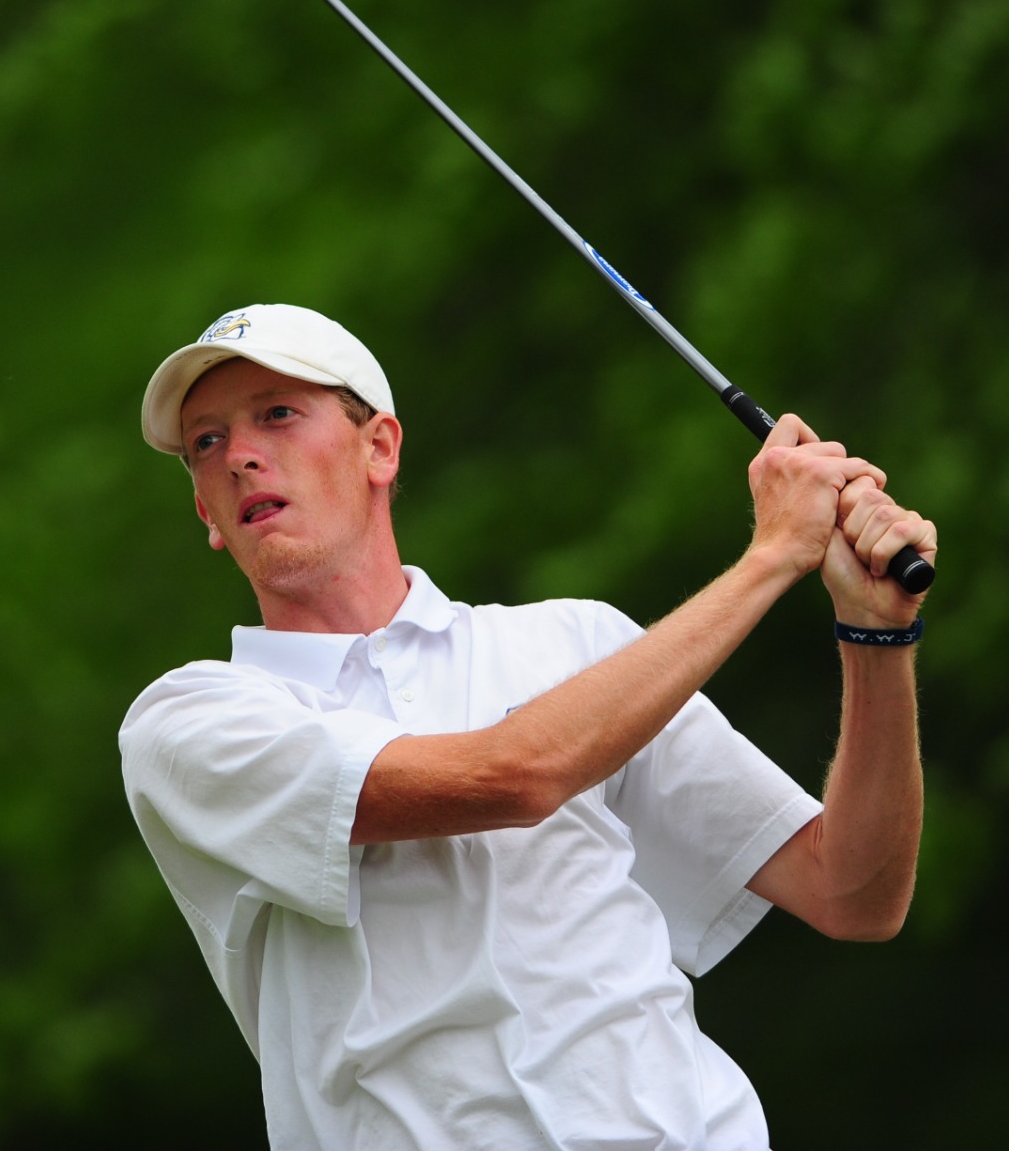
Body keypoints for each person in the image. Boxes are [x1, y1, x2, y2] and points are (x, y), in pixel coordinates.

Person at [120, 303, 937, 1150]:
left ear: (381, 447)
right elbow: (516, 776)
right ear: (205, 512)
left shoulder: (576, 643)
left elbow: (853, 892)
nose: (241, 456)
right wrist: (772, 559)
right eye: (206, 444)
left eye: (278, 415)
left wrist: (877, 637)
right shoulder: (187, 725)